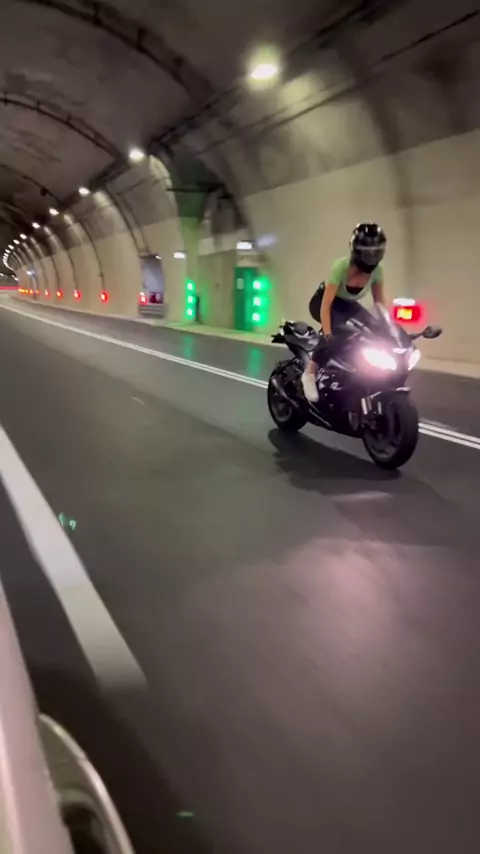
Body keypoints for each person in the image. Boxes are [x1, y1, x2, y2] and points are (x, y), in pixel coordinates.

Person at [301, 222, 387, 403]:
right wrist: (328, 333)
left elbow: (380, 303)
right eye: (367, 252)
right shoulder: (341, 267)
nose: (371, 257)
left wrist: (388, 329)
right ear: (356, 250)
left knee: (372, 328)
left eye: (375, 252)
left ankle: (354, 368)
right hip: (323, 302)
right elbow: (326, 305)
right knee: (337, 331)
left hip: (347, 304)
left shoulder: (378, 271)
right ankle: (309, 373)